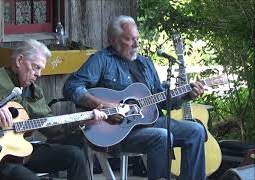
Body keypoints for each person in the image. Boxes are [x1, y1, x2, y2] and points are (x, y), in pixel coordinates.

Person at [63, 15, 206, 180]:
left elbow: (161, 100)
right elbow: (71, 87)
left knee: (196, 130)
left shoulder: (146, 63)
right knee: (163, 136)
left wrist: (186, 95)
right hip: (119, 130)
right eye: (129, 39)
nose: (136, 44)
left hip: (151, 122)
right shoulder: (101, 60)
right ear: (113, 40)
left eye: (137, 39)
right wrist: (103, 106)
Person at [0, 39, 106, 180]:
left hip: (20, 150)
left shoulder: (35, 92)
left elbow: (54, 130)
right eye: (35, 67)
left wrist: (84, 120)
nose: (39, 74)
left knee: (75, 155)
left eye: (41, 69)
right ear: (20, 60)